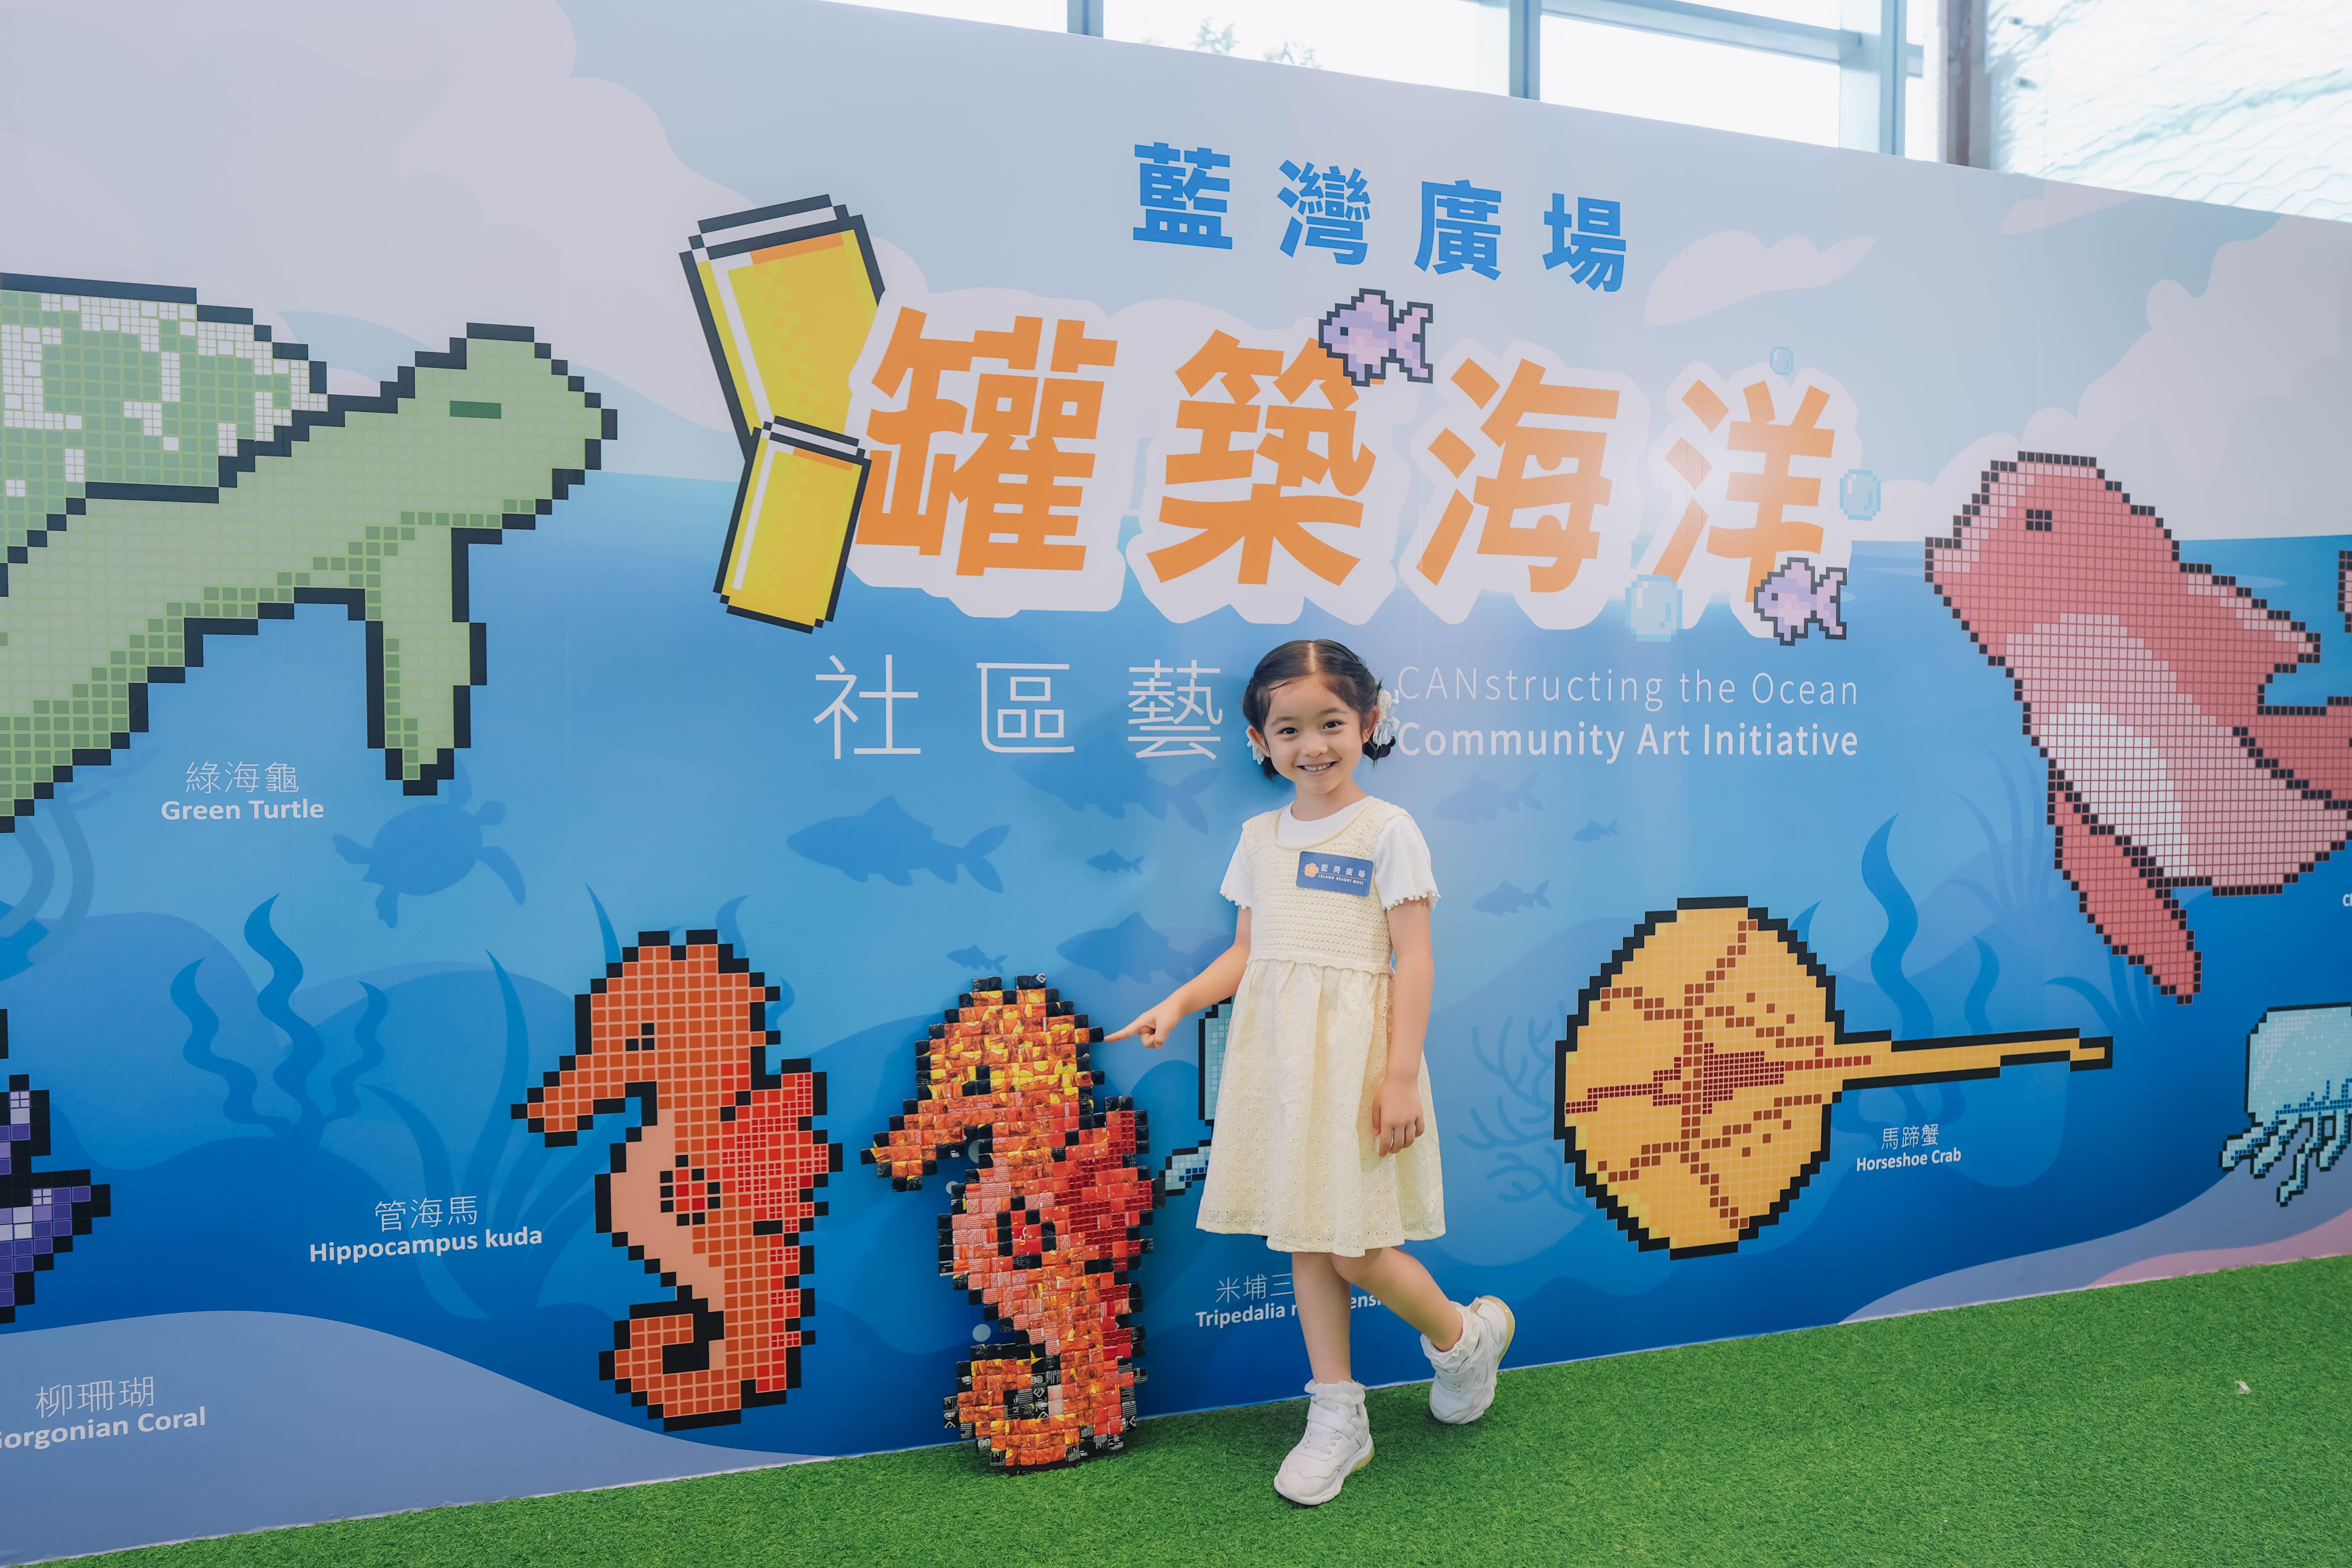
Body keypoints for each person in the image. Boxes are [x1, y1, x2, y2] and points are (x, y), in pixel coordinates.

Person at [1109, 638, 1512, 1507]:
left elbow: (1414, 960)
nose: (1312, 745)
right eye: (1288, 729)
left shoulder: (1388, 829)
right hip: (1280, 1063)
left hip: (1360, 1064)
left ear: (1369, 721)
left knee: (1356, 1250)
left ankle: (1463, 1341)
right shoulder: (1258, 837)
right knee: (1304, 1236)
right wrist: (1177, 1004)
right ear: (1259, 741)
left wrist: (1398, 1077)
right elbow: (1248, 952)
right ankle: (1337, 1410)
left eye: (1330, 722)